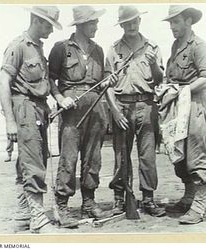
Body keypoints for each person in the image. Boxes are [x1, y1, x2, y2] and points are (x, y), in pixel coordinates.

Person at [0, 6, 63, 233]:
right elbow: (3, 83)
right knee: (33, 161)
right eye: (48, 25)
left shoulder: (38, 48)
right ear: (36, 20)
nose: (50, 31)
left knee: (30, 158)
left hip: (39, 109)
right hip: (24, 107)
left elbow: (44, 83)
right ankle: (38, 219)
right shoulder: (18, 46)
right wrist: (9, 122)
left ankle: (25, 213)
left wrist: (57, 100)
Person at [48, 5, 114, 224]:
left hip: (97, 106)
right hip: (72, 110)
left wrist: (109, 80)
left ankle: (89, 203)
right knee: (69, 157)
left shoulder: (98, 49)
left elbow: (103, 79)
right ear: (82, 25)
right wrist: (60, 98)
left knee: (93, 158)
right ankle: (63, 205)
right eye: (93, 22)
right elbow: (50, 79)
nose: (97, 26)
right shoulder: (61, 48)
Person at [105, 6, 166, 217]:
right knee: (121, 155)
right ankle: (119, 199)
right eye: (127, 22)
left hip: (147, 105)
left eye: (134, 21)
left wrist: (154, 66)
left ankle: (148, 199)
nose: (131, 26)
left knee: (147, 155)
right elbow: (107, 85)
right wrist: (114, 111)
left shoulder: (152, 47)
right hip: (122, 106)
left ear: (140, 21)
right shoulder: (113, 49)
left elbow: (159, 80)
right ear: (121, 25)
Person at [162, 5, 206, 224]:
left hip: (193, 105)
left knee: (195, 155)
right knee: (179, 156)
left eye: (176, 22)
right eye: (171, 23)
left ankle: (200, 205)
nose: (172, 27)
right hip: (176, 106)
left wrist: (185, 90)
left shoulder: (199, 46)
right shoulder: (175, 46)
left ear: (188, 21)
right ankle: (189, 196)